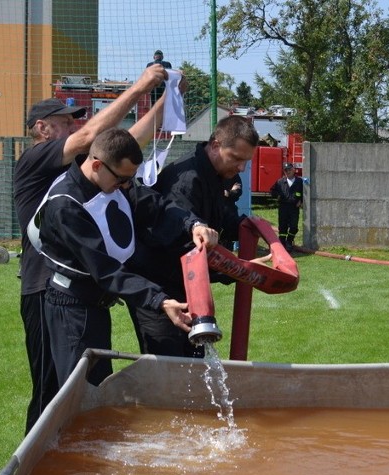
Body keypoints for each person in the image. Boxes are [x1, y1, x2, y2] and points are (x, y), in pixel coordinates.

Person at [13, 64, 169, 433]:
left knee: (87, 386)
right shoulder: (34, 160)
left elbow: (123, 143)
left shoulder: (86, 166)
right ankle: (31, 471)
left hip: (82, 287)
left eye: (74, 121)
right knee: (53, 389)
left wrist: (165, 101)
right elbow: (89, 139)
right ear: (42, 129)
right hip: (44, 287)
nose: (74, 127)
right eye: (65, 122)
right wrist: (140, 86)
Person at [37, 128, 218, 386]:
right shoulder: (66, 205)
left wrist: (194, 224)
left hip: (96, 304)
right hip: (72, 307)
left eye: (129, 180)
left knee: (97, 385)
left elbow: (159, 205)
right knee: (83, 390)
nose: (125, 186)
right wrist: (160, 300)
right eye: (121, 179)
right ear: (98, 165)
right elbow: (105, 270)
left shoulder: (116, 183)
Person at [128, 115, 260, 358]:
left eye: (246, 161)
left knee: (193, 363)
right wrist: (239, 269)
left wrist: (248, 225)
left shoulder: (216, 175)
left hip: (184, 284)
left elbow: (221, 219)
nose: (241, 168)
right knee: (167, 367)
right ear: (216, 145)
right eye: (237, 158)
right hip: (160, 288)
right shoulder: (186, 181)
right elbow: (186, 247)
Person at [270, 163, 304, 251]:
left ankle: (289, 240)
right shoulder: (280, 182)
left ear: (293, 170)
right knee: (282, 226)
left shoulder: (300, 181)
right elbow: (272, 191)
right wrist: (277, 196)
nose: (287, 172)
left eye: (289, 169)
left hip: (294, 207)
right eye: (286, 170)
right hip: (283, 207)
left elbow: (305, 193)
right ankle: (282, 243)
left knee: (293, 226)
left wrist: (301, 200)